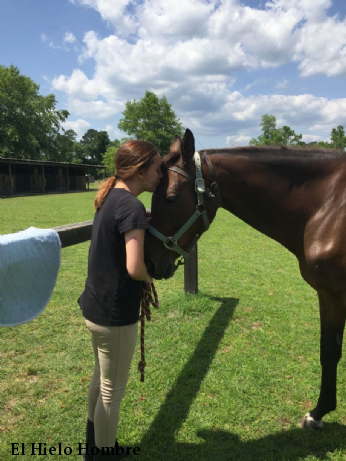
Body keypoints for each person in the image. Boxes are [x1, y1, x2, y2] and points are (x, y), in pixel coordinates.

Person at [78, 140, 162, 460]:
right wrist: (149, 278)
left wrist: (142, 221)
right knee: (112, 392)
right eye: (156, 169)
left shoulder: (112, 197)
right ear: (140, 171)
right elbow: (134, 267)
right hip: (114, 315)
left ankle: (93, 445)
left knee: (101, 380)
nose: (160, 175)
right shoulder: (131, 206)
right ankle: (103, 453)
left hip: (94, 307)